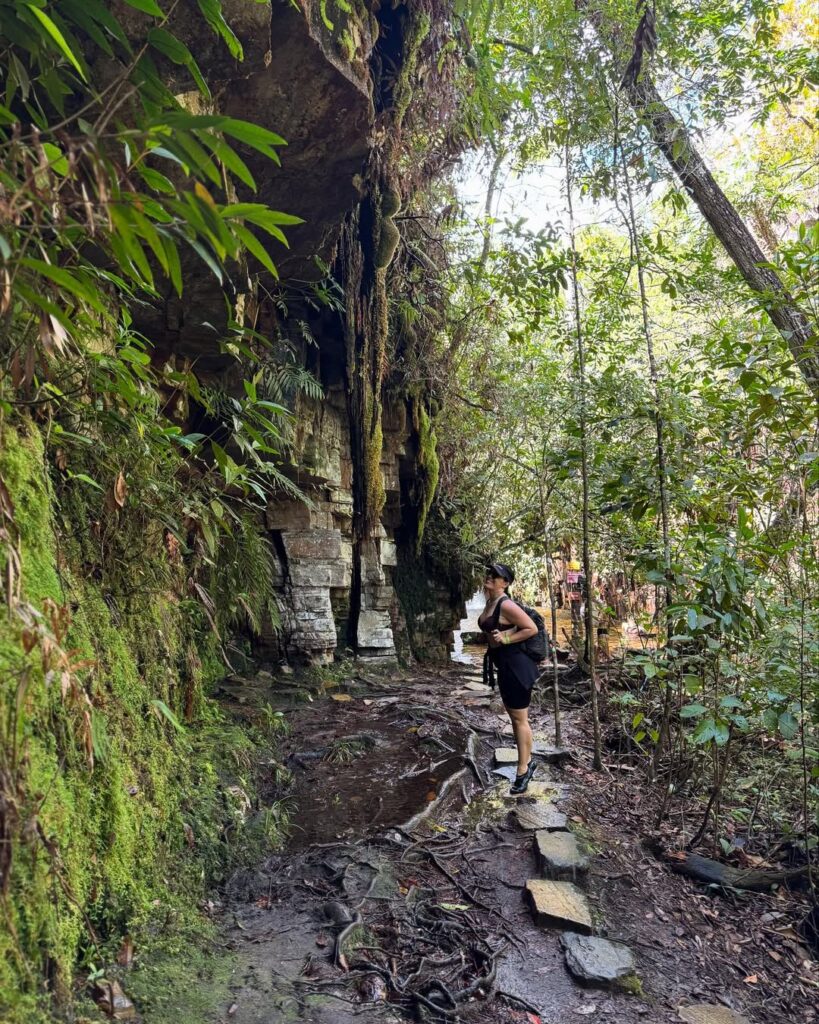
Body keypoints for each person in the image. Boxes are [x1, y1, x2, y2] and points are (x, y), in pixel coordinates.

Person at [478, 563, 539, 794]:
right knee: (516, 719)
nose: (490, 577)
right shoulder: (491, 602)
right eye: (490, 573)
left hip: (516, 667)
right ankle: (525, 762)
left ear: (505, 583)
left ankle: (524, 769)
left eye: (496, 576)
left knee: (520, 719)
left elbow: (530, 628)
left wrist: (506, 638)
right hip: (505, 666)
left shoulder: (507, 604)